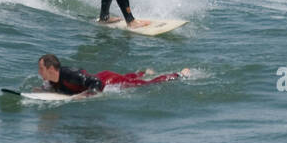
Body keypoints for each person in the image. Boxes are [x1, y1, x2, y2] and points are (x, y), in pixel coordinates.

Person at [37, 54, 188, 97]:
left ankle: (179, 74)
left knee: (143, 84)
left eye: (41, 69)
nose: (39, 72)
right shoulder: (52, 80)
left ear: (51, 69)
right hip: (102, 75)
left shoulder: (70, 74)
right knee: (130, 78)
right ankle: (140, 73)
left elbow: (97, 84)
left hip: (107, 80)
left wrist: (85, 95)